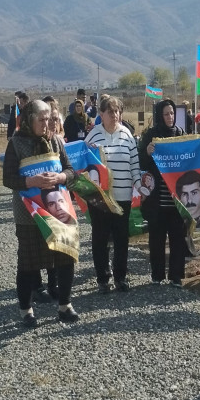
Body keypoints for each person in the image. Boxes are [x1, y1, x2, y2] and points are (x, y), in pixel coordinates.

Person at [3, 99, 81, 326]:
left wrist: (61, 177)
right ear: (29, 119)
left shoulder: (56, 141)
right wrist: (31, 181)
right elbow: (8, 178)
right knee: (29, 262)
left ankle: (65, 306)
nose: (46, 124)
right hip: (29, 214)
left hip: (58, 210)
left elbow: (71, 171)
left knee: (65, 256)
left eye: (49, 119)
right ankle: (26, 310)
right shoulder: (16, 144)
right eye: (41, 119)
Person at [85, 95, 140, 293]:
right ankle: (102, 278)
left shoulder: (127, 135)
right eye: (110, 111)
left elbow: (134, 164)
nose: (115, 115)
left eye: (117, 111)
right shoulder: (93, 136)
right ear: (101, 114)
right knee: (100, 239)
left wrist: (140, 184)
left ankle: (120, 277)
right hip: (100, 199)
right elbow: (84, 163)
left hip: (123, 196)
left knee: (121, 239)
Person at [139, 98, 189, 287]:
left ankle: (176, 276)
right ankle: (157, 275)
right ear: (160, 115)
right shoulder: (151, 136)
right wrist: (147, 152)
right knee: (157, 239)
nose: (170, 117)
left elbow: (191, 156)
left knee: (177, 239)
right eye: (167, 113)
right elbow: (141, 163)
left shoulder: (181, 134)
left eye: (172, 113)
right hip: (157, 200)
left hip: (176, 200)